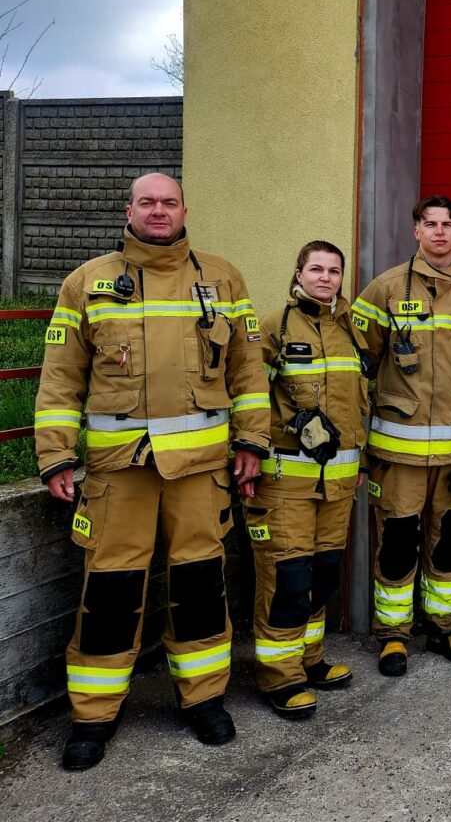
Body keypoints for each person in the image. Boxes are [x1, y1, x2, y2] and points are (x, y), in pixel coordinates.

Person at [34, 173, 270, 771]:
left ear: (185, 208)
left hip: (201, 470)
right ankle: (93, 715)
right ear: (129, 210)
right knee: (109, 590)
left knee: (199, 586)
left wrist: (253, 442)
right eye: (148, 202)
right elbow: (60, 378)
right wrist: (56, 455)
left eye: (169, 202)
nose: (159, 212)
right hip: (120, 471)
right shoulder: (85, 282)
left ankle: (204, 700)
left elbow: (247, 372)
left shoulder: (223, 278)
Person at [351, 195, 451, 676]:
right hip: (400, 453)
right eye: (429, 224)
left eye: (447, 224)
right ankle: (393, 635)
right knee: (397, 540)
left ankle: (445, 625)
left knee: (449, 540)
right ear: (416, 231)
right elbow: (359, 367)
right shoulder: (385, 289)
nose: (438, 232)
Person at [246, 240, 369, 718]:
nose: (325, 278)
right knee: (287, 578)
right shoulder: (273, 327)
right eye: (315, 269)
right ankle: (280, 675)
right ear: (298, 274)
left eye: (333, 270)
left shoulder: (352, 330)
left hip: (338, 484)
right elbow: (251, 398)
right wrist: (249, 456)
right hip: (285, 483)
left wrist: (360, 463)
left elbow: (362, 403)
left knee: (322, 576)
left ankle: (310, 659)